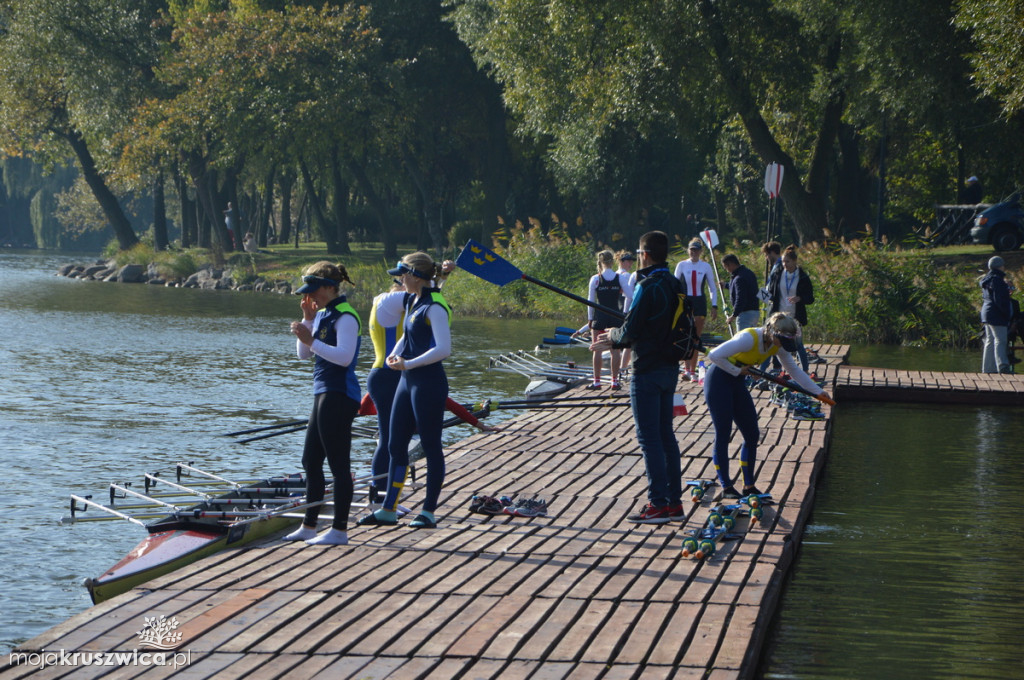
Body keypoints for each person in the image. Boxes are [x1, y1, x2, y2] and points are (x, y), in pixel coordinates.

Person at [363, 275, 498, 503]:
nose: (404, 283)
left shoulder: (393, 303)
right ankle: (381, 497)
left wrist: (439, 277)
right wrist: (438, 277)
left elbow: (431, 300)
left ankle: (390, 501)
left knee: (394, 441)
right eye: (401, 279)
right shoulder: (392, 301)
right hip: (395, 373)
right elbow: (430, 298)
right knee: (391, 442)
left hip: (390, 373)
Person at [590, 231, 686, 524]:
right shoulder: (674, 283)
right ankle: (673, 504)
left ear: (645, 254)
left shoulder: (648, 285)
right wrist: (618, 336)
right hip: (670, 368)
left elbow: (631, 329)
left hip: (647, 371)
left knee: (649, 440)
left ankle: (657, 504)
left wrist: (611, 337)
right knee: (666, 435)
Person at [359, 252, 452, 529]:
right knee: (395, 445)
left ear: (413, 276)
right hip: (406, 381)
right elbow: (406, 335)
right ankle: (389, 509)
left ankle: (428, 512)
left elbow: (444, 349)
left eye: (402, 275)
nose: (399, 279)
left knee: (432, 446)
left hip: (428, 383)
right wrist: (395, 354)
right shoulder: (412, 300)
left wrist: (408, 362)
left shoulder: (435, 306)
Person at [704, 312, 830, 499]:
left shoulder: (777, 344)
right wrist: (737, 370)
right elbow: (714, 355)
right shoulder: (748, 338)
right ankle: (727, 487)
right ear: (773, 333)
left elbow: (794, 370)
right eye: (782, 341)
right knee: (723, 432)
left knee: (751, 433)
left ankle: (749, 486)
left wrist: (817, 392)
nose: (782, 347)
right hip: (718, 380)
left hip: (737, 382)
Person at [283, 261, 361, 546]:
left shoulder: (346, 317)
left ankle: (339, 530)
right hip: (322, 392)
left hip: (340, 393)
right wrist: (306, 320)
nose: (310, 297)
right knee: (310, 460)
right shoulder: (322, 313)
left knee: (339, 465)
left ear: (330, 288)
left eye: (315, 291)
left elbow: (344, 357)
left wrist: (311, 339)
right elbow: (304, 355)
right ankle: (309, 526)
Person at [765, 245, 814, 372]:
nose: (784, 264)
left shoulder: (803, 277)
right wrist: (765, 295)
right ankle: (769, 369)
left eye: (787, 261)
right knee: (772, 343)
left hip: (794, 318)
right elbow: (770, 291)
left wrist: (800, 298)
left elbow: (810, 298)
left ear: (794, 261)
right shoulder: (778, 273)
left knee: (798, 345)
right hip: (778, 316)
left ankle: (805, 371)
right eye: (782, 261)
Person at [673, 238, 717, 380]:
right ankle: (686, 370)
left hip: (699, 303)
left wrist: (714, 305)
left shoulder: (705, 266)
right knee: (686, 336)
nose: (694, 252)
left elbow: (712, 288)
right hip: (685, 303)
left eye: (696, 250)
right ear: (688, 250)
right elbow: (674, 285)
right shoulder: (681, 265)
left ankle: (693, 371)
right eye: (692, 249)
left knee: (696, 338)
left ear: (700, 251)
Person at [585, 250, 625, 390]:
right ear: (612, 262)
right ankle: (614, 382)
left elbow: (590, 301)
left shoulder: (595, 279)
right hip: (616, 316)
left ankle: (597, 382)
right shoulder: (620, 278)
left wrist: (590, 319)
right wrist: (625, 313)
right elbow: (630, 296)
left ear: (600, 262)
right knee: (615, 350)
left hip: (600, 317)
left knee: (597, 350)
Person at [980, 255, 1012, 374]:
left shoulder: (987, 279)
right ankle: (1003, 366)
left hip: (986, 313)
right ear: (1001, 266)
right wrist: (1005, 312)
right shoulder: (997, 280)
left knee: (990, 340)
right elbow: (999, 299)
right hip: (996, 313)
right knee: (1000, 340)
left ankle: (988, 369)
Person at [722, 253, 760, 331]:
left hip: (745, 314)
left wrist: (734, 315)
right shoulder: (749, 273)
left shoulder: (738, 278)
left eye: (726, 267)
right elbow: (743, 289)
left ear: (731, 264)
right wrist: (726, 285)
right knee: (752, 340)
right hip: (755, 312)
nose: (727, 270)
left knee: (743, 340)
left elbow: (741, 298)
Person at [616, 250, 637, 371]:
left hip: (615, 309)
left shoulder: (615, 274)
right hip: (625, 310)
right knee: (629, 343)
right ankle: (623, 368)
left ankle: (618, 366)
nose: (631, 264)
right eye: (629, 261)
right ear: (622, 262)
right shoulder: (626, 275)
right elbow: (630, 295)